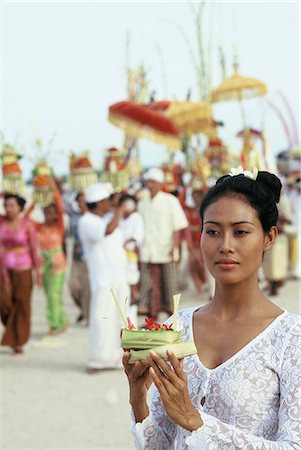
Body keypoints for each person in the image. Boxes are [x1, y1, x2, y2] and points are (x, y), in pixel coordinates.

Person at [123, 168, 301, 449]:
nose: (225, 246)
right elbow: (160, 444)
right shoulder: (176, 328)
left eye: (240, 232)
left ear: (269, 237)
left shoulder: (291, 340)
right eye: (213, 232)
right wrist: (137, 396)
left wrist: (196, 421)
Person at [78, 183, 129, 373]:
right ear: (99, 203)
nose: (110, 204)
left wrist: (116, 208)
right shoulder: (87, 221)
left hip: (117, 278)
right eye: (107, 201)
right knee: (102, 319)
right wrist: (120, 209)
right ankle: (98, 359)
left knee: (118, 319)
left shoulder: (103, 218)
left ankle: (115, 357)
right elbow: (107, 230)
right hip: (102, 280)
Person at [138, 168, 188, 319]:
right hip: (148, 249)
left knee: (170, 284)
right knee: (148, 283)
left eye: (153, 182)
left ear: (160, 184)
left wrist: (174, 246)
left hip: (166, 249)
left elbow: (178, 226)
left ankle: (173, 318)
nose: (150, 185)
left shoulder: (170, 201)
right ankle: (150, 316)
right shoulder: (142, 203)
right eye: (148, 182)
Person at [0, 194, 42, 354]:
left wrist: (38, 271)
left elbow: (34, 248)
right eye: (6, 205)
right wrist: (4, 193)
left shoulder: (27, 224)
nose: (8, 208)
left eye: (11, 205)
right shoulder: (2, 222)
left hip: (23, 268)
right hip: (3, 269)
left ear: (19, 207)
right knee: (4, 303)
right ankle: (13, 333)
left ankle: (19, 341)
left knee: (22, 304)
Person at [33, 183, 69, 336]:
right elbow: (25, 217)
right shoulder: (39, 227)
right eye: (46, 212)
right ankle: (62, 320)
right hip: (44, 265)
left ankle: (55, 324)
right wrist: (36, 199)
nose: (49, 215)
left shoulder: (58, 226)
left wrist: (53, 188)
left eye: (51, 212)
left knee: (54, 295)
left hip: (57, 264)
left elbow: (60, 207)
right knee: (50, 295)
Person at [68, 192, 90, 324]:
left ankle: (88, 315)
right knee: (73, 286)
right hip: (76, 253)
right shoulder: (74, 216)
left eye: (84, 200)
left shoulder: (93, 216)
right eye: (80, 201)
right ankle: (83, 308)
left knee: (87, 287)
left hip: (88, 254)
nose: (82, 203)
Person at [118, 194, 144, 304]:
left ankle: (134, 294)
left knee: (132, 272)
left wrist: (128, 242)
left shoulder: (136, 217)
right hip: (119, 251)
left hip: (131, 250)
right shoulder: (119, 219)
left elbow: (138, 235)